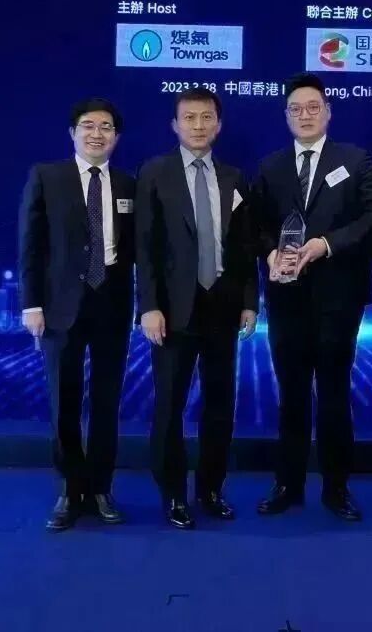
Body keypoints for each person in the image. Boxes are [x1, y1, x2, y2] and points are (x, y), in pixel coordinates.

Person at [252, 72, 372, 521]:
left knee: (333, 393)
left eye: (313, 107)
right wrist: (271, 251)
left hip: (338, 298)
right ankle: (287, 485)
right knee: (291, 394)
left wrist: (326, 244)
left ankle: (336, 488)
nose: (305, 115)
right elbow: (255, 225)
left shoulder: (356, 159)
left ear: (328, 112)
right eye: (296, 109)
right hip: (286, 298)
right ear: (286, 116)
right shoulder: (271, 166)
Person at [135, 88, 259, 530]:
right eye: (189, 118)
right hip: (172, 311)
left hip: (223, 307)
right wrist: (149, 306)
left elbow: (244, 247)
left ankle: (210, 490)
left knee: (220, 406)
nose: (199, 125)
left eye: (207, 117)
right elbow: (145, 247)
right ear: (175, 125)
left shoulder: (234, 177)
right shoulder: (155, 172)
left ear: (219, 125)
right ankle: (173, 495)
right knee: (170, 406)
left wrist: (250, 301)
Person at [18, 98, 136, 532]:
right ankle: (70, 489)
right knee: (63, 401)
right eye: (88, 126)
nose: (96, 134)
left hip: (112, 305)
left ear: (116, 137)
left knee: (107, 401)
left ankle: (101, 488)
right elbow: (31, 245)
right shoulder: (47, 176)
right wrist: (31, 304)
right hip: (59, 307)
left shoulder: (129, 183)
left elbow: (139, 249)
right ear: (73, 133)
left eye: (106, 127)